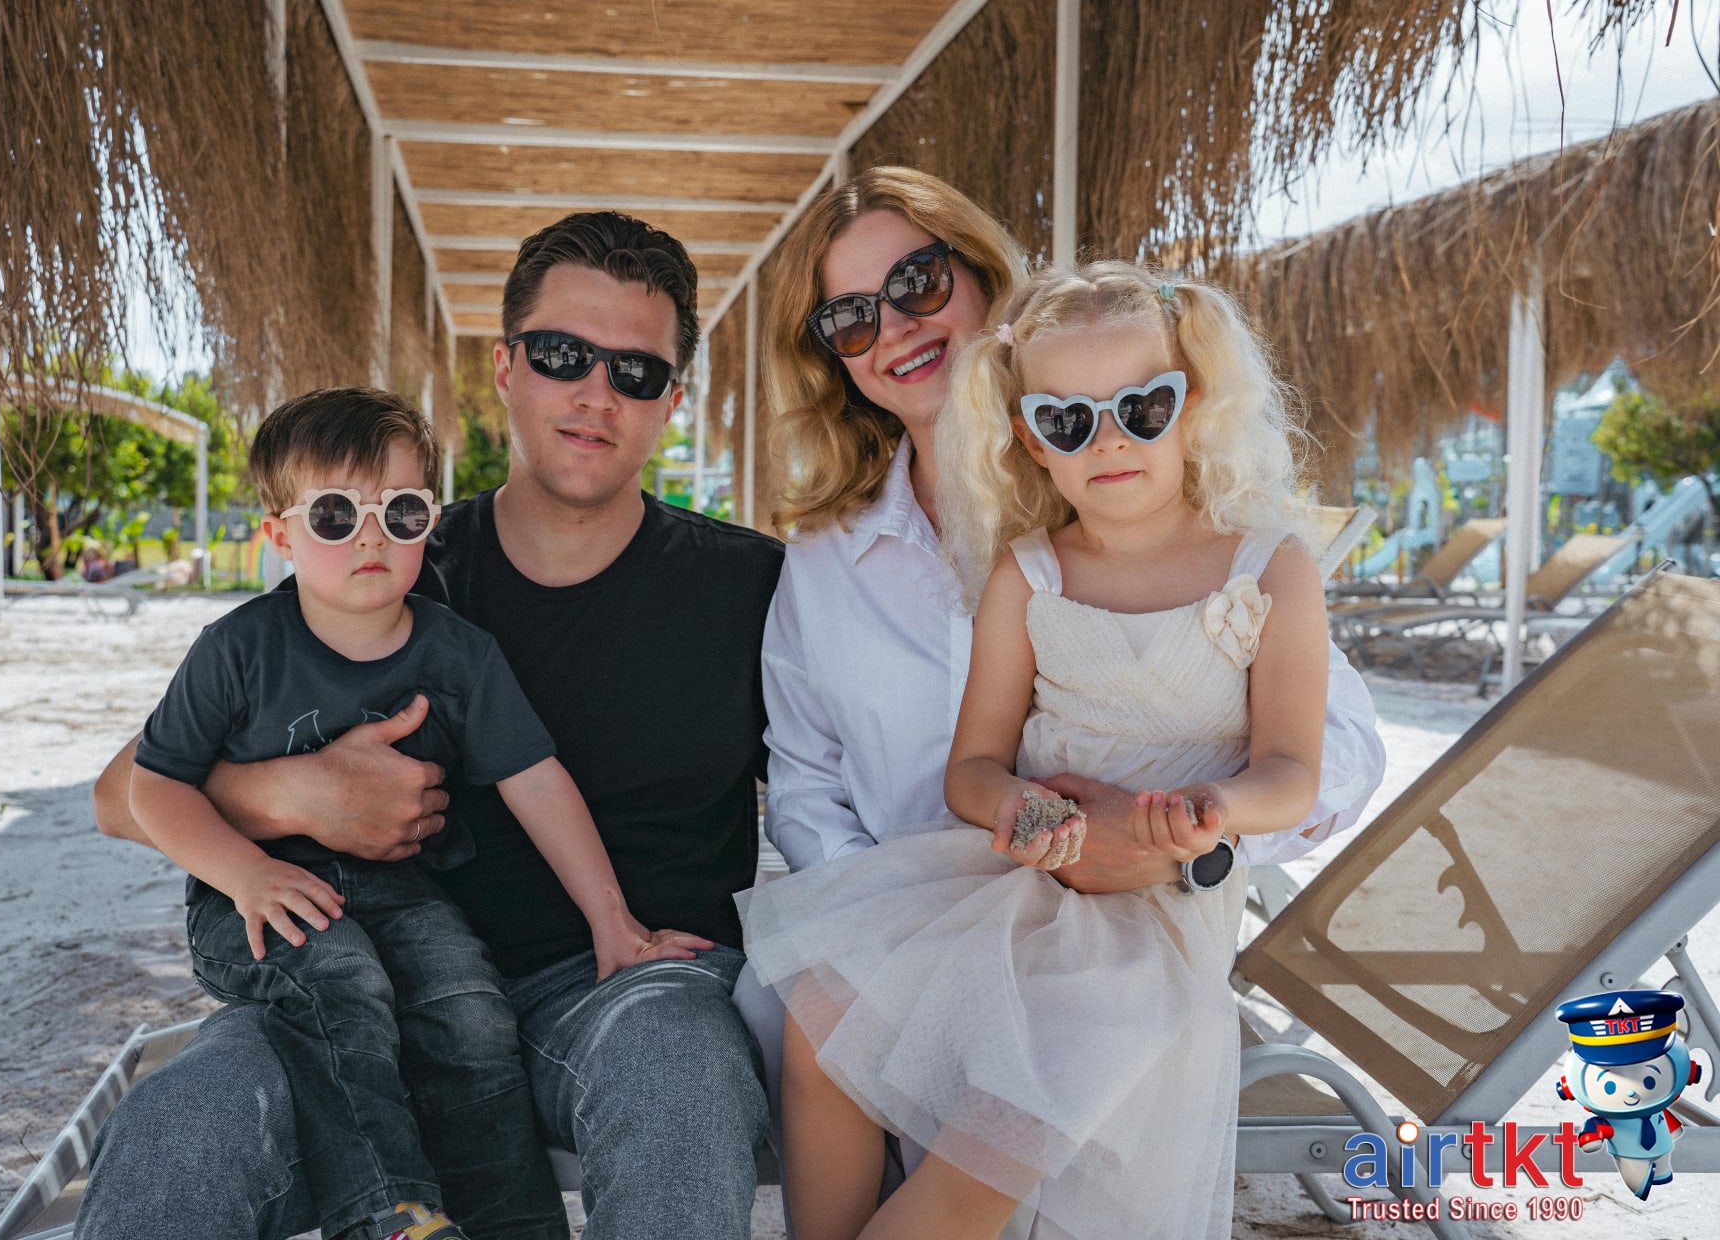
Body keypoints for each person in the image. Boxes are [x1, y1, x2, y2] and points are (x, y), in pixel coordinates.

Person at [81, 212, 783, 1240]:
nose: (596, 392)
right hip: (355, 990)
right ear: (504, 368)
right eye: (561, 355)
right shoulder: (391, 554)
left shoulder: (754, 588)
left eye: (636, 371)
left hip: (618, 989)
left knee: (681, 1068)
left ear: (672, 400)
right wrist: (295, 791)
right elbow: (119, 794)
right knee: (181, 1121)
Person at [742, 167, 1386, 1238]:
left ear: (984, 277)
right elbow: (808, 790)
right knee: (822, 1010)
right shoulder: (829, 564)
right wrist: (930, 954)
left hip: (1140, 929)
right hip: (941, 910)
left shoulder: (1214, 539)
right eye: (850, 318)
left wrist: (1178, 844)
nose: (893, 326)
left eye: (916, 280)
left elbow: (1340, 749)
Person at [128, 385, 710, 1240]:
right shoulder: (237, 649)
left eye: (400, 511)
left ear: (428, 524)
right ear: (278, 532)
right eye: (334, 515)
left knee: (472, 1009)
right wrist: (246, 872)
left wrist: (613, 922)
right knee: (345, 983)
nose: (371, 536)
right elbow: (152, 787)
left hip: (404, 893)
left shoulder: (457, 653)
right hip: (255, 898)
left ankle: (514, 1226)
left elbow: (537, 780)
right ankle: (386, 1215)